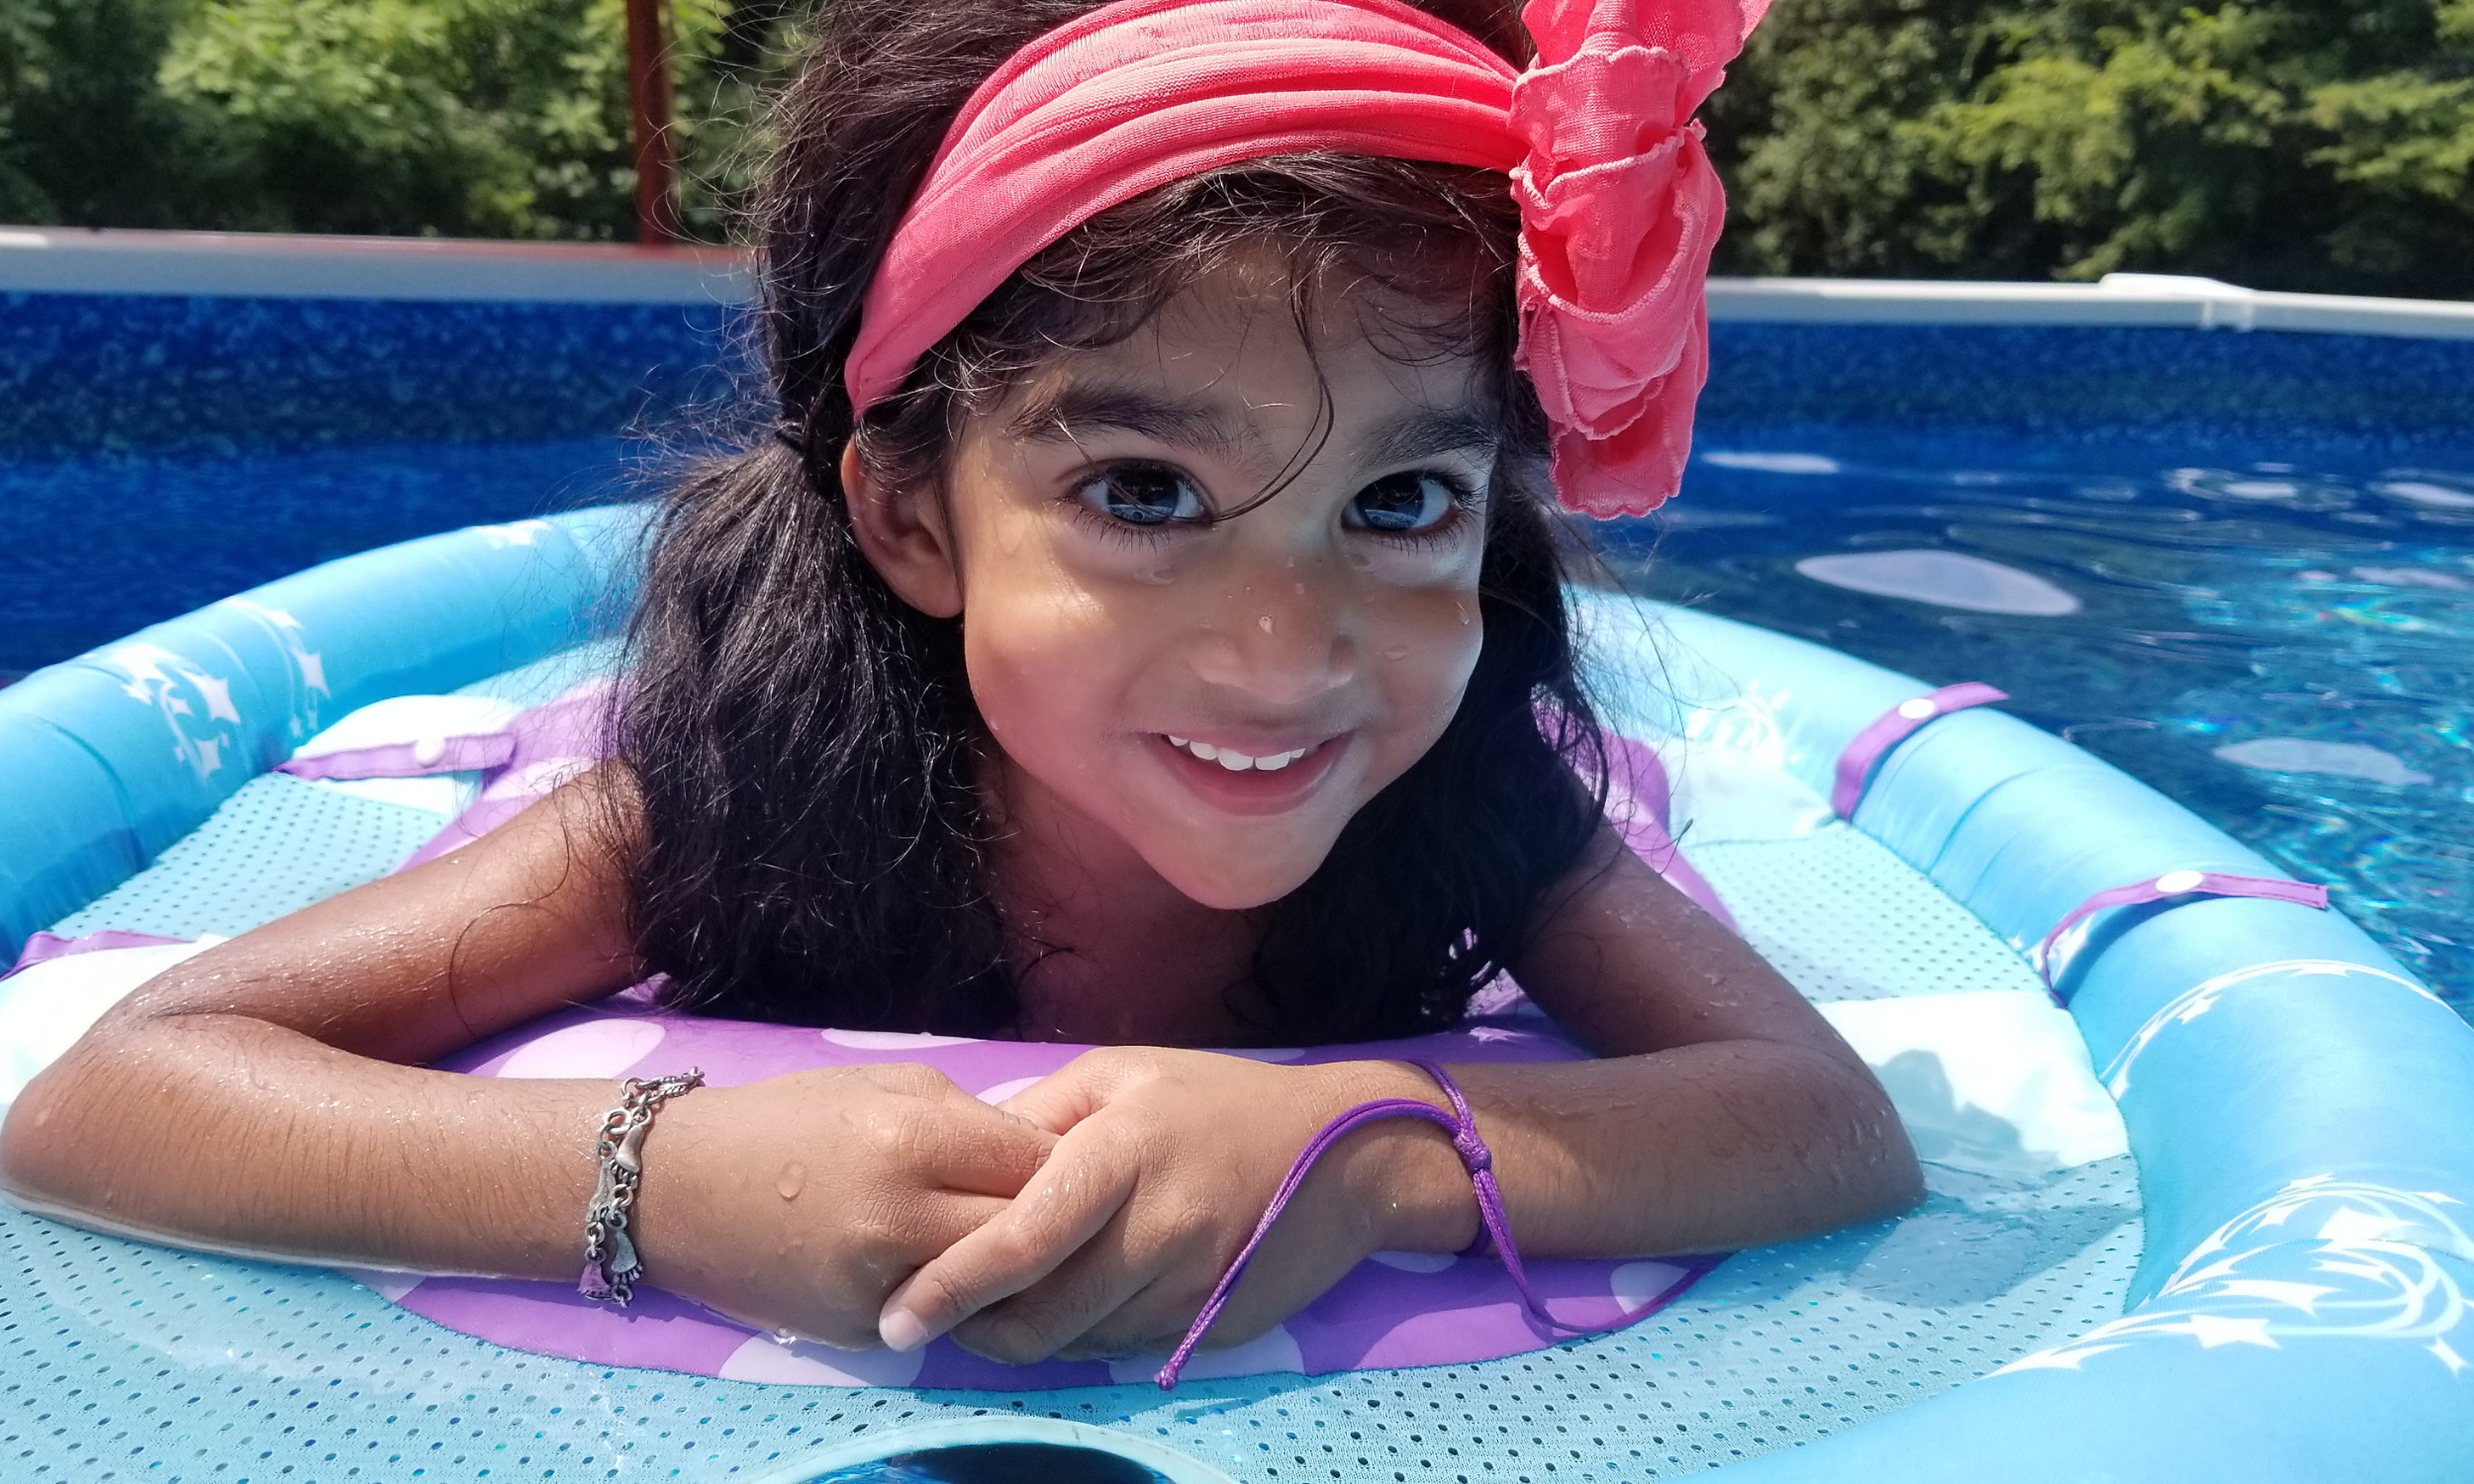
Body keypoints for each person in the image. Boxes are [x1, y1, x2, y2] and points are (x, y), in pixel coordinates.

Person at [0, 0, 1919, 1372]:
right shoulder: (733, 809)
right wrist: (657, 1179)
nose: (1285, 650)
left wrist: (1369, 1155)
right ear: (913, 515)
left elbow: (1821, 1121)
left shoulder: (1468, 800)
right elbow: (106, 1094)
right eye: (1141, 493)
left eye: (1397, 502)